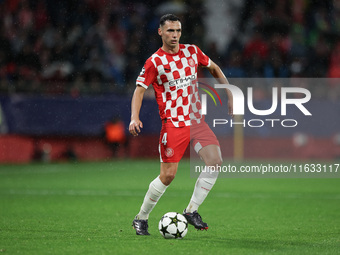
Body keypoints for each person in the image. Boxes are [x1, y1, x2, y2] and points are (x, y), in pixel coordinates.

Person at [129, 14, 233, 235]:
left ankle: (191, 210)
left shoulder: (192, 51)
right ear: (160, 32)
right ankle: (141, 218)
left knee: (215, 161)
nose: (175, 35)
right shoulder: (154, 62)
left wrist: (230, 93)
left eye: (177, 31)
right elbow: (139, 90)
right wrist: (134, 117)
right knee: (168, 176)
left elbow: (214, 68)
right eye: (170, 31)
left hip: (197, 122)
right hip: (173, 124)